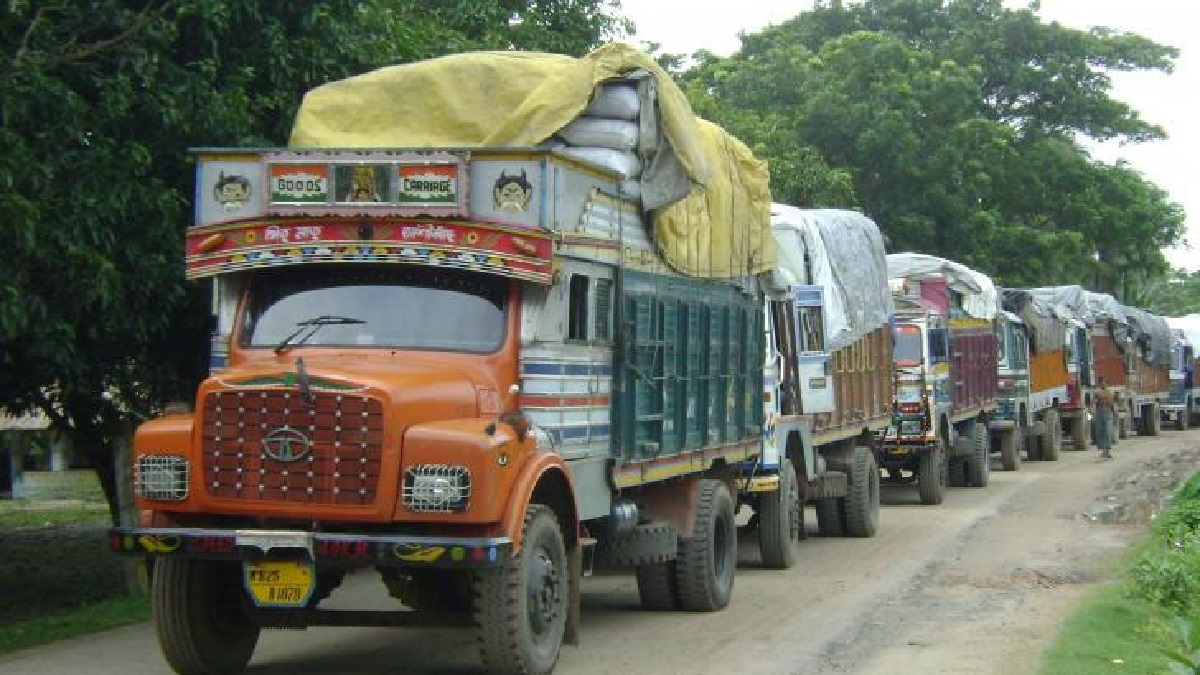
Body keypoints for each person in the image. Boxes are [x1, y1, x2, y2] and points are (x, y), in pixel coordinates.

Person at [1092, 377, 1116, 459]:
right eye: (1102, 382)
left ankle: (1107, 451)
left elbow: (1112, 403)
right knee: (1100, 432)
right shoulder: (1097, 392)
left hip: (1108, 413)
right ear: (1099, 384)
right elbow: (1093, 403)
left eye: (1105, 382)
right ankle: (1104, 451)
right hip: (1099, 413)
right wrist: (1092, 413)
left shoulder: (1110, 392)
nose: (1103, 384)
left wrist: (1114, 412)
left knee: (1108, 432)